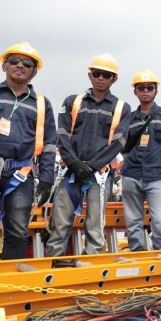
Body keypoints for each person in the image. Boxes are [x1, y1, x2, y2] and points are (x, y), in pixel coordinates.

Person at [46, 53, 131, 257]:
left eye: (106, 75)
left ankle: (91, 264)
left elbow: (119, 142)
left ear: (114, 79)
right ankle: (54, 262)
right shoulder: (73, 102)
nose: (101, 78)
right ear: (90, 75)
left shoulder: (121, 108)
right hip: (71, 171)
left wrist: (92, 166)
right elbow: (62, 135)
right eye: (97, 73)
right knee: (60, 219)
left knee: (95, 222)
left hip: (99, 174)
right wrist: (75, 163)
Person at [0, 43, 57, 259]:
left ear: (33, 71)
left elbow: (49, 143)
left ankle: (10, 281)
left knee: (18, 229)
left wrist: (47, 178)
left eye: (26, 63)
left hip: (21, 173)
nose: (20, 66)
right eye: (14, 61)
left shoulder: (41, 103)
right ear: (4, 66)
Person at [122, 69, 161, 251]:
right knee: (133, 222)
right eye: (141, 88)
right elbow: (123, 146)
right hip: (132, 175)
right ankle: (138, 255)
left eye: (150, 87)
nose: (145, 91)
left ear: (156, 90)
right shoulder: (130, 118)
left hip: (157, 176)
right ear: (135, 91)